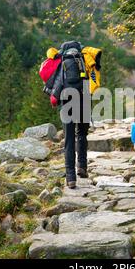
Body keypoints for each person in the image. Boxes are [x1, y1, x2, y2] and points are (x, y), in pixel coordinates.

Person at [50, 41, 91, 189]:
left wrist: (54, 96)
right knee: (82, 133)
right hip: (84, 99)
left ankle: (71, 178)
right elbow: (91, 82)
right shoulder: (85, 60)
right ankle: (82, 166)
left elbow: (58, 83)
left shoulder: (62, 63)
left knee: (69, 139)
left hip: (67, 101)